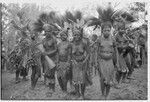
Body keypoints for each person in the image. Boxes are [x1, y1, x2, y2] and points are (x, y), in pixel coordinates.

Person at [97, 22, 117, 99]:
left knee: (109, 78)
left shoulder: (113, 39)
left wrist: (117, 61)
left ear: (110, 30)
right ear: (102, 31)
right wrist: (96, 61)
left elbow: (116, 50)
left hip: (110, 61)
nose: (106, 32)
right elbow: (97, 51)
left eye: (108, 30)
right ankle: (102, 94)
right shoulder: (99, 39)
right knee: (102, 78)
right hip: (101, 61)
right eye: (105, 30)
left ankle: (107, 94)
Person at [70, 28, 90, 99]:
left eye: (78, 35)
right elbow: (70, 54)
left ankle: (82, 94)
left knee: (82, 80)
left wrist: (85, 61)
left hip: (82, 64)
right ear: (73, 35)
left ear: (80, 35)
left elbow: (88, 53)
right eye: (75, 35)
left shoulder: (84, 43)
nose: (77, 36)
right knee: (75, 79)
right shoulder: (71, 44)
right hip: (75, 64)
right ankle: (77, 93)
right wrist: (73, 60)